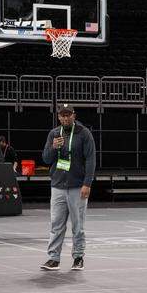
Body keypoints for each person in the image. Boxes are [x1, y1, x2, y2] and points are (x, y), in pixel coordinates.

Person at [40, 104, 95, 271]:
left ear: (74, 115)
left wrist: (87, 184)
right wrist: (53, 147)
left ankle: (78, 257)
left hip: (77, 187)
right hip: (57, 186)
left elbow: (91, 160)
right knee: (56, 224)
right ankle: (53, 258)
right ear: (58, 117)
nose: (65, 118)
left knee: (78, 225)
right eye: (62, 115)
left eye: (68, 115)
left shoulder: (84, 134)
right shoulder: (54, 134)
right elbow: (46, 159)